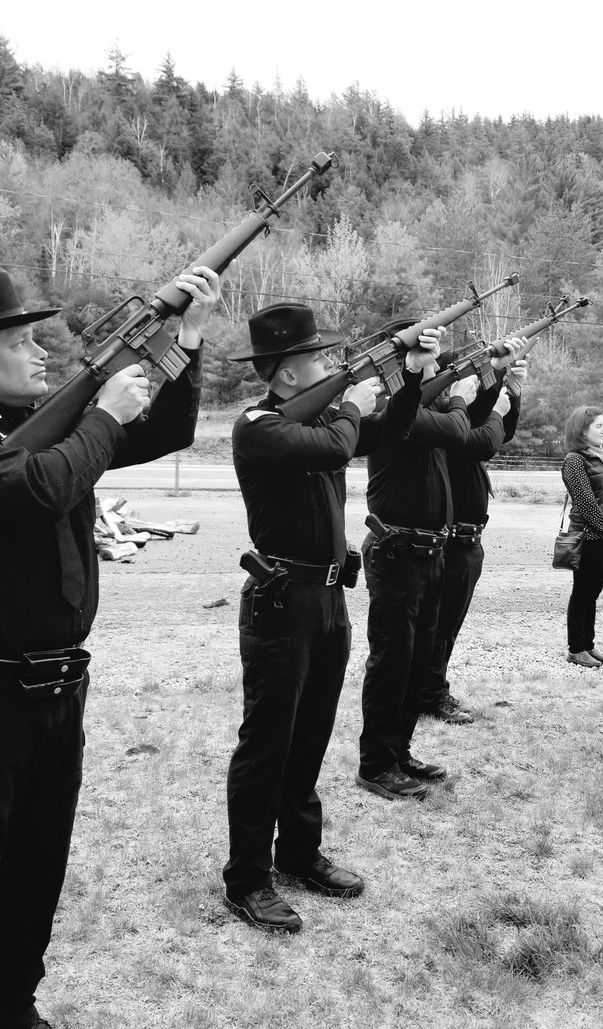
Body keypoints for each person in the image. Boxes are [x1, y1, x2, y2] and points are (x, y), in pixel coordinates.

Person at [0, 263, 217, 1029]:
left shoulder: (47, 426)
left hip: (54, 692)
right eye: (20, 340)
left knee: (37, 868)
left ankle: (16, 1005)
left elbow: (167, 429)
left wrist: (189, 340)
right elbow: (41, 486)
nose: (42, 352)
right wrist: (102, 413)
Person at [223, 304, 441, 932]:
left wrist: (407, 378)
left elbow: (387, 433)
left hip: (326, 598)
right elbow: (342, 441)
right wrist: (353, 396)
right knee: (267, 742)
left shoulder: (316, 417)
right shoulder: (259, 425)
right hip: (282, 599)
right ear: (288, 375)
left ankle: (297, 852)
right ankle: (247, 879)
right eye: (318, 361)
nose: (328, 367)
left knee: (312, 731)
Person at [357, 318, 487, 802]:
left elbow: (478, 429)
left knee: (413, 663)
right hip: (399, 554)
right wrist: (460, 396)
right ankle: (375, 764)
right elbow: (459, 428)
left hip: (428, 554)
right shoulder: (397, 410)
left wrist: (490, 383)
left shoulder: (420, 407)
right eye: (428, 357)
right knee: (392, 662)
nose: (439, 365)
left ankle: (398, 752)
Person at [418, 351, 528, 723]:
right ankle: (429, 694)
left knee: (446, 625)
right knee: (438, 625)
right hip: (452, 541)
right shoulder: (442, 420)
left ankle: (432, 689)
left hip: (465, 539)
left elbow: (500, 430)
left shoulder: (454, 415)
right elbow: (483, 440)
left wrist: (508, 387)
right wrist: (496, 402)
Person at [560, 405, 603, 667]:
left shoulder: (597, 456)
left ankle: (588, 645)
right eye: (598, 426)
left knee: (592, 594)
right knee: (582, 593)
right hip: (588, 537)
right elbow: (586, 503)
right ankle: (576, 649)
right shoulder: (574, 460)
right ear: (582, 430)